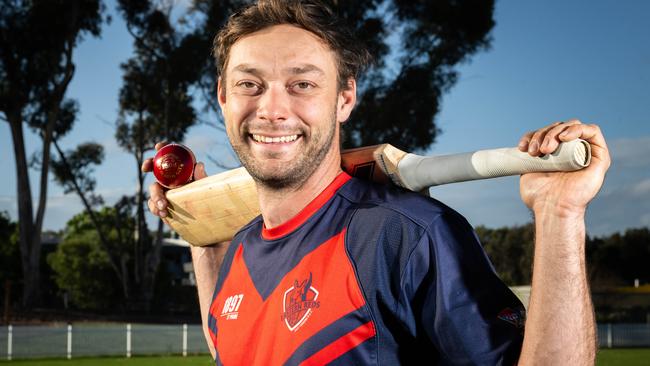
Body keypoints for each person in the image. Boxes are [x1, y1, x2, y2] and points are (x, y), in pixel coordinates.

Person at [143, 0, 610, 364]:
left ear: (345, 99)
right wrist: (199, 228)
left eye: (302, 84)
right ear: (223, 97)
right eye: (250, 84)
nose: (272, 109)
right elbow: (230, 344)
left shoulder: (407, 235)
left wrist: (559, 214)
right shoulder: (241, 246)